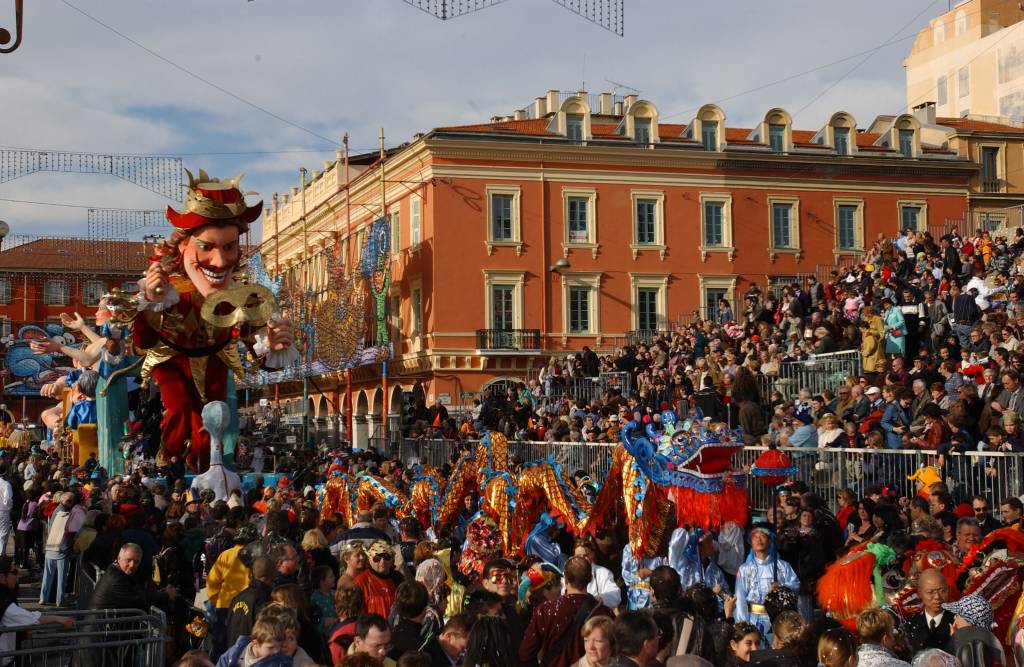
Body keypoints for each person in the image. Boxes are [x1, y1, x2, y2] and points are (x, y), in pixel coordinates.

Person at [520, 556, 613, 667]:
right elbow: (616, 652)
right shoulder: (604, 613)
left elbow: (525, 654)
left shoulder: (545, 610)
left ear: (566, 579)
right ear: (591, 578)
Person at [0, 555, 75, 664]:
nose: (17, 576)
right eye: (14, 572)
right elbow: (30, 618)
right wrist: (60, 619)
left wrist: (22, 634)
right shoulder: (3, 599)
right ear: (2, 577)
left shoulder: (5, 595)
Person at [734, 525, 800, 641]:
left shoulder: (782, 566)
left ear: (770, 541)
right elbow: (740, 597)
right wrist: (743, 625)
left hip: (778, 618)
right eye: (755, 537)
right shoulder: (744, 569)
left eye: (763, 536)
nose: (759, 540)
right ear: (751, 543)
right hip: (753, 618)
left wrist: (782, 588)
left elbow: (795, 585)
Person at [90, 543, 177, 610]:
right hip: (101, 630)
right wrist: (165, 595)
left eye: (136, 562)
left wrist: (161, 592)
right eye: (128, 560)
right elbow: (138, 601)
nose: (132, 565)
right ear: (119, 558)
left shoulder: (117, 571)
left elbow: (137, 593)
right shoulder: (116, 578)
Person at [39, 492, 82, 606]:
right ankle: (60, 600)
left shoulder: (55, 511)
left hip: (50, 546)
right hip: (61, 549)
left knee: (47, 576)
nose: (71, 503)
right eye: (70, 501)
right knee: (61, 577)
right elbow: (72, 531)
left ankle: (43, 598)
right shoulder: (68, 514)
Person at [216, 604, 294, 667]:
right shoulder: (237, 650)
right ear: (255, 643)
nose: (276, 651)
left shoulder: (279, 662)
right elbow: (222, 662)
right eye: (271, 647)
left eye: (279, 646)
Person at [225, 557, 275, 650]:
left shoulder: (237, 597)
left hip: (232, 651)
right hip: (250, 653)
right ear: (272, 574)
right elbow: (265, 630)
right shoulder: (264, 599)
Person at [904, 569, 955, 654]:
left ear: (948, 590)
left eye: (942, 591)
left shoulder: (957, 621)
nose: (937, 597)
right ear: (919, 593)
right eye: (930, 592)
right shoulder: (910, 624)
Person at [354, 541, 403, 618]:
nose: (382, 561)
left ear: (392, 559)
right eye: (377, 558)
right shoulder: (361, 581)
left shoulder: (398, 578)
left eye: (386, 557)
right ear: (369, 559)